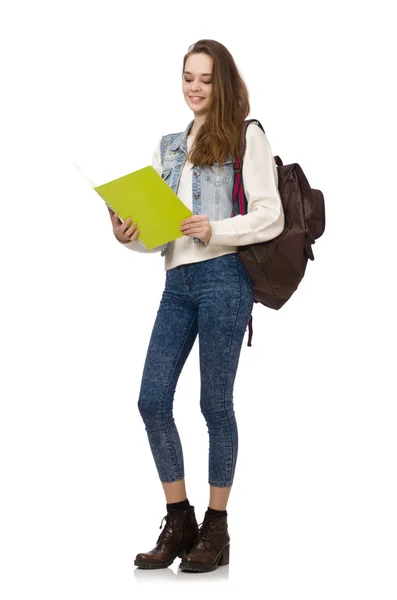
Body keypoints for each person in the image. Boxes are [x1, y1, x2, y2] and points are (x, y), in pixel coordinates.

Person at [108, 39, 284, 572]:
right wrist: (127, 233)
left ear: (223, 81)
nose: (194, 87)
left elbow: (269, 214)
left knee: (215, 405)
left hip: (225, 278)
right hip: (176, 282)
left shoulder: (245, 135)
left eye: (205, 78)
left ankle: (217, 527)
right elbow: (158, 235)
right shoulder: (169, 145)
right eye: (188, 76)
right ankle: (178, 517)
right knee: (152, 400)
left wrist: (217, 228)